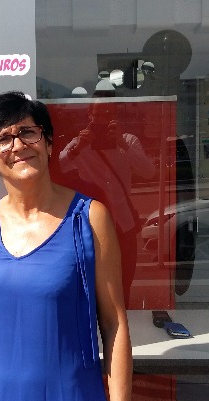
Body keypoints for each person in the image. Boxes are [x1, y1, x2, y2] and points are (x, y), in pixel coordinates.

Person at [0, 91, 132, 401]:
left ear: (49, 143)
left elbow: (114, 326)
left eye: (27, 132)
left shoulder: (89, 219)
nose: (18, 146)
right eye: (3, 139)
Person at [58, 93, 155, 306]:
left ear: (115, 115)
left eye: (108, 113)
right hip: (90, 225)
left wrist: (123, 144)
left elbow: (149, 171)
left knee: (124, 281)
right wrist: (78, 148)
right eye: (98, 114)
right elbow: (58, 168)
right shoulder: (80, 143)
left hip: (123, 224)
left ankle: (123, 320)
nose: (102, 119)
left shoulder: (128, 140)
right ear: (90, 115)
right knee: (91, 283)